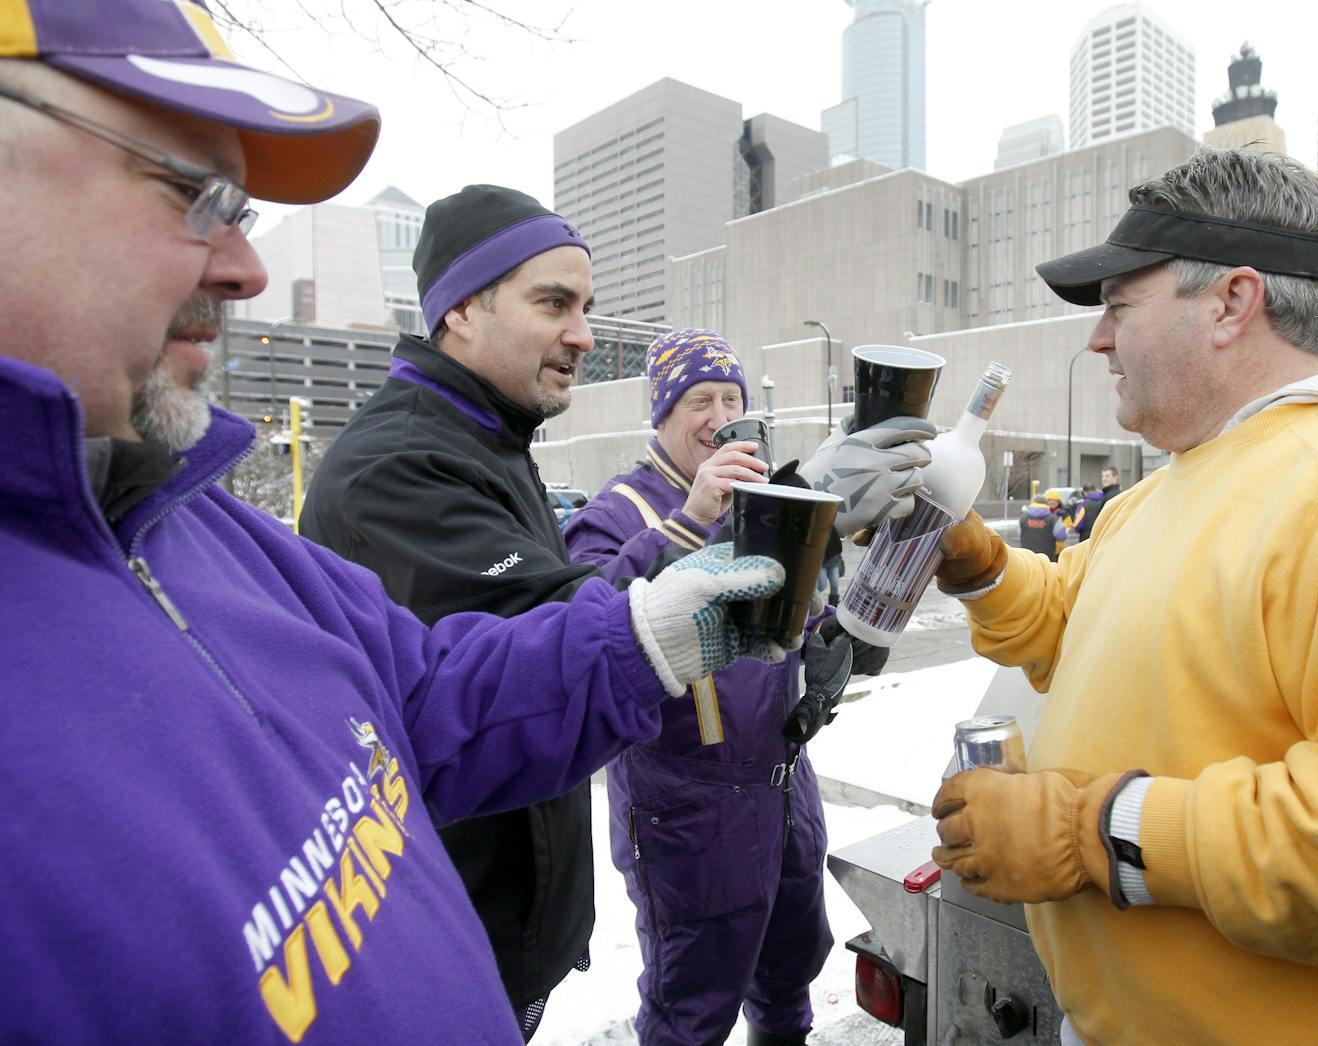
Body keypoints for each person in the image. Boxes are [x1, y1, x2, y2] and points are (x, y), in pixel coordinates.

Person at [0, 7, 790, 1043]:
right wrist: (669, 547)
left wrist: (653, 636)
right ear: (460, 309)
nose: (244, 265)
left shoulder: (200, 527)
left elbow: (426, 691)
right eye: (190, 190)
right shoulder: (392, 462)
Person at [928, 147, 1318, 1045]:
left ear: (1234, 302)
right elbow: (1077, 621)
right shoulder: (1163, 491)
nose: (1098, 338)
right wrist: (981, 567)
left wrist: (1091, 832)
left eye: (1120, 306)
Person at [299, 184, 619, 1038]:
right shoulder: (401, 465)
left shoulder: (488, 438)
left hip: (506, 918)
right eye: (554, 303)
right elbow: (560, 634)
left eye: (584, 306)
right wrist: (786, 535)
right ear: (463, 311)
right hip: (448, 933)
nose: (582, 335)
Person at [565, 329, 889, 1046]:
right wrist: (692, 521)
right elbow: (579, 618)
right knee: (693, 1005)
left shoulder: (763, 500)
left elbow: (800, 603)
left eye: (731, 398)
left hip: (781, 786)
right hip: (687, 808)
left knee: (789, 976)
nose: (719, 414)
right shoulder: (619, 509)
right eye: (699, 399)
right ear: (662, 414)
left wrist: (834, 637)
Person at [1018, 495, 1067, 561]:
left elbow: (1019, 533)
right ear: (1046, 504)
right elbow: (1062, 536)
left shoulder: (1023, 518)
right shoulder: (1053, 519)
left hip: (1027, 558)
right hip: (1047, 559)